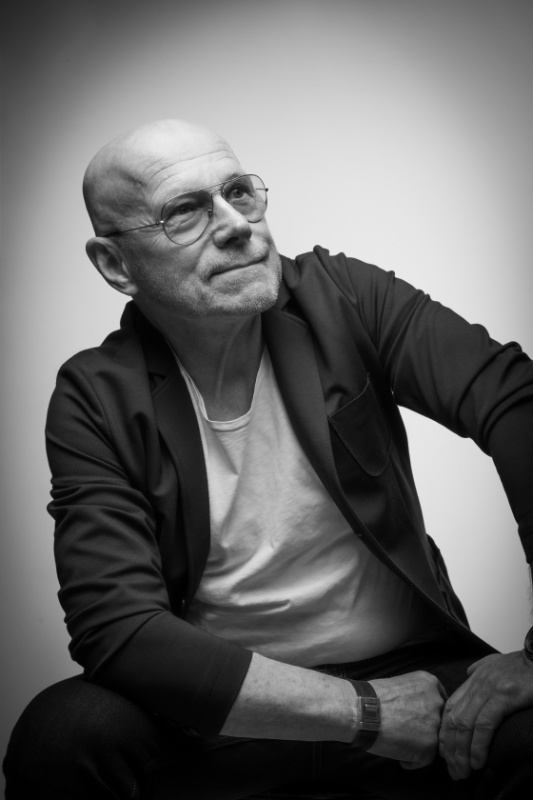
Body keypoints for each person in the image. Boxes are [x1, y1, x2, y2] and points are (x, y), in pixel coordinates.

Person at [4, 119, 533, 800]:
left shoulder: (345, 298)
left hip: (416, 680)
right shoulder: (96, 394)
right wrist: (363, 714)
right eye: (185, 211)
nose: (234, 225)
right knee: (61, 735)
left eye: (237, 193)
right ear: (115, 265)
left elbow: (514, 400)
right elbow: (117, 629)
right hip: (224, 706)